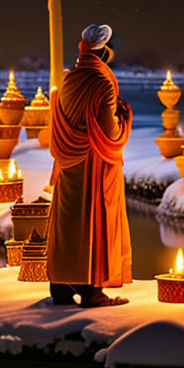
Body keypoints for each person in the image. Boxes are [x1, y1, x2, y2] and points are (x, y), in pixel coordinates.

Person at [46, 24, 133, 307]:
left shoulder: (69, 78)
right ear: (103, 52)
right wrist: (124, 117)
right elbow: (108, 133)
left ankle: (60, 286)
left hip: (69, 163)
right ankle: (92, 291)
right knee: (92, 221)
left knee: (68, 221)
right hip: (94, 163)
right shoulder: (102, 82)